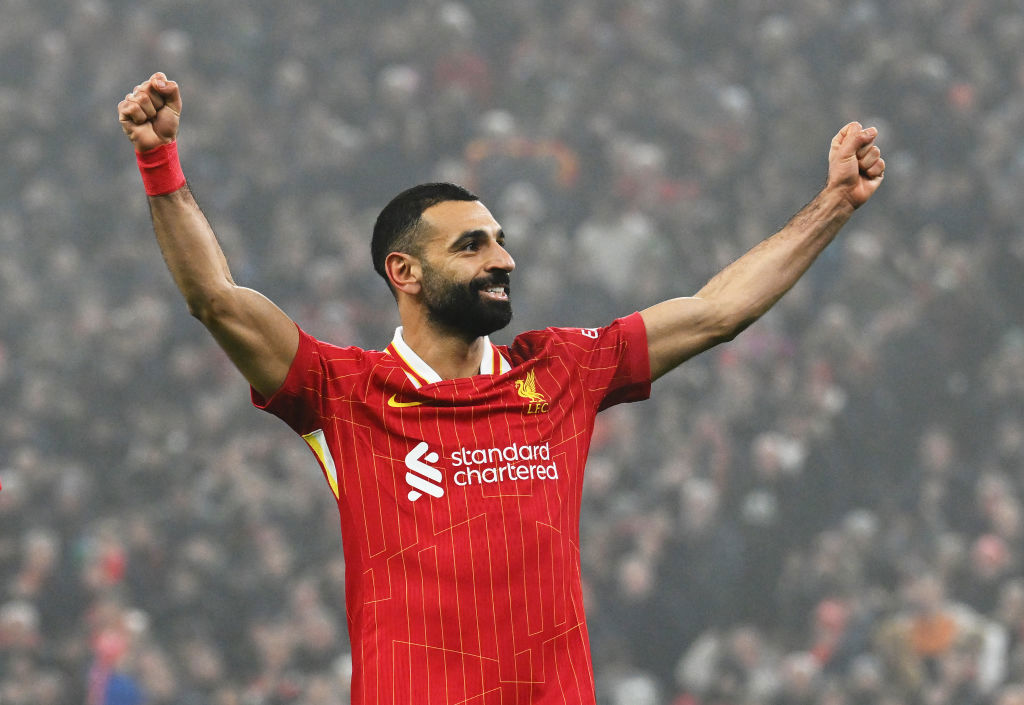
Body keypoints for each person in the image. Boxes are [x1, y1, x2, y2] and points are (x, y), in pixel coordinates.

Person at [117, 71, 885, 705]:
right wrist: (160, 163)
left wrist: (834, 204)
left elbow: (717, 311)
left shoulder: (559, 370)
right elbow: (215, 298)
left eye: (503, 241)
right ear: (404, 273)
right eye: (473, 244)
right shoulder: (343, 391)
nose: (504, 259)